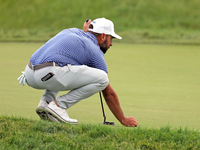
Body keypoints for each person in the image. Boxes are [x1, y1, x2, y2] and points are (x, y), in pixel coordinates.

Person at [17, 17, 138, 127]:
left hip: (29, 74)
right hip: (49, 73)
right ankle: (58, 106)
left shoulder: (72, 31)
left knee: (65, 64)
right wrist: (123, 119)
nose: (111, 43)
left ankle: (45, 103)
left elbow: (81, 41)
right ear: (102, 36)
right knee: (103, 78)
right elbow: (108, 93)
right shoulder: (94, 51)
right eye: (110, 38)